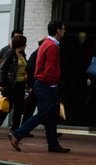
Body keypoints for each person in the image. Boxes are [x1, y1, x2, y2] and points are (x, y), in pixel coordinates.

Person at [9, 20, 70, 153]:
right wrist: (52, 83)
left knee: (53, 115)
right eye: (63, 29)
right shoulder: (52, 46)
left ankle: (53, 143)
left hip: (43, 84)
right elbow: (49, 69)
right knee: (43, 114)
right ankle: (17, 134)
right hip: (46, 85)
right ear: (58, 30)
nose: (64, 31)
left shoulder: (45, 44)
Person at [0, 34, 27, 132]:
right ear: (21, 45)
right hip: (10, 85)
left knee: (19, 107)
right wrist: (1, 84)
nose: (26, 45)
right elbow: (3, 68)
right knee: (6, 108)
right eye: (24, 44)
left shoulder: (23, 55)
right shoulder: (10, 53)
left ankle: (15, 129)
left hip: (21, 84)